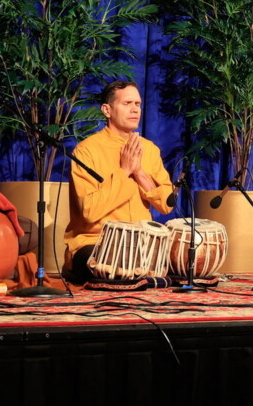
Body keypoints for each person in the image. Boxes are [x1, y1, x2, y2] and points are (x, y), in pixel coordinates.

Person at [64, 81, 174, 282]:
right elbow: (89, 211)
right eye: (127, 103)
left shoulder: (149, 149)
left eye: (138, 104)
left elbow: (167, 204)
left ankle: (142, 279)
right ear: (107, 110)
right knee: (112, 269)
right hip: (96, 243)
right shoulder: (87, 150)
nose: (135, 109)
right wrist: (124, 171)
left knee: (185, 264)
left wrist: (138, 171)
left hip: (141, 244)